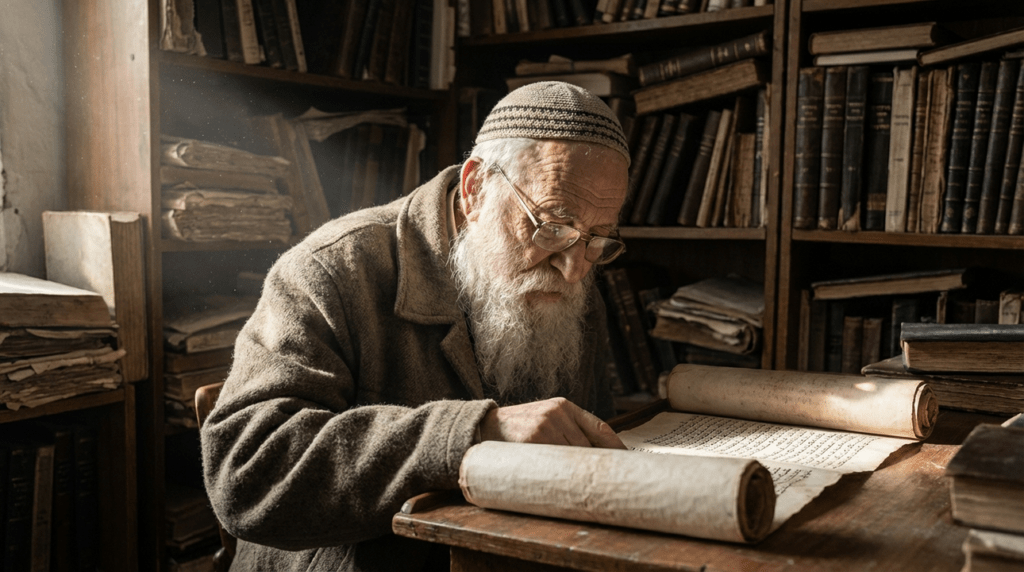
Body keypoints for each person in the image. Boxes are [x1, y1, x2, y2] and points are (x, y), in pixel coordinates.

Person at [201, 81, 633, 571]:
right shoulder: (330, 271)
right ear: (475, 189)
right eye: (553, 225)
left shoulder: (573, 281)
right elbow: (247, 475)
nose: (576, 269)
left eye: (598, 238)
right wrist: (476, 432)